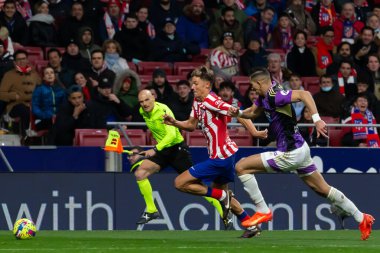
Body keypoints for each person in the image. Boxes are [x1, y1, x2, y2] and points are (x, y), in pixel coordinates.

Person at [227, 67, 374, 241]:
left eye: (254, 86)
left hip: (290, 152)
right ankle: (362, 218)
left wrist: (317, 119)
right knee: (322, 189)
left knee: (241, 167)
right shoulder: (265, 94)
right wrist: (240, 113)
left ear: (260, 83)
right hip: (301, 149)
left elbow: (305, 95)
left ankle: (263, 210)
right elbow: (252, 112)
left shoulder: (276, 95)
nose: (253, 90)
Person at [163, 66, 265, 238]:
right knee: (222, 196)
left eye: (195, 84)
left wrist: (254, 133)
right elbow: (191, 125)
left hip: (221, 158)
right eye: (191, 84)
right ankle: (252, 225)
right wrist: (174, 123)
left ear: (207, 85)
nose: (192, 87)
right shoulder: (197, 101)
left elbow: (237, 113)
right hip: (223, 156)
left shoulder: (212, 100)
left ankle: (223, 196)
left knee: (180, 183)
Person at [134, 89, 226, 227]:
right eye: (141, 102)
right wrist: (153, 149)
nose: (144, 104)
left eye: (147, 100)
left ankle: (223, 209)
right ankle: (152, 209)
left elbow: (171, 135)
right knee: (140, 173)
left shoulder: (163, 111)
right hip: (163, 151)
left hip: (177, 150)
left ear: (153, 97)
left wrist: (154, 149)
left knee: (197, 185)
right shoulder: (143, 112)